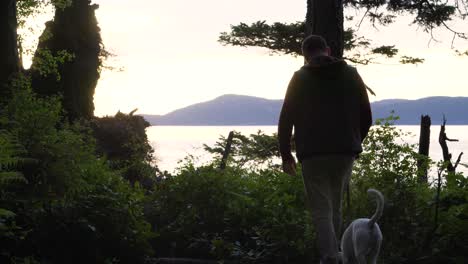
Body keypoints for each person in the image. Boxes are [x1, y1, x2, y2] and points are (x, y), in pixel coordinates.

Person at [277, 35, 372, 264]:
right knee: (335, 204)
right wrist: (354, 142)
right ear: (327, 50)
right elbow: (366, 117)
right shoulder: (351, 74)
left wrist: (285, 153)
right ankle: (337, 253)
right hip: (344, 151)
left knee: (321, 208)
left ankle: (331, 256)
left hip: (312, 153)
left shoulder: (299, 78)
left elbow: (286, 119)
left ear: (305, 55)